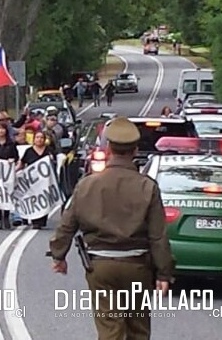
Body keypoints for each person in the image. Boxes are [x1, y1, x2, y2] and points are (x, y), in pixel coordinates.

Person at [49, 117, 174, 340]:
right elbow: (158, 236)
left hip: (100, 266)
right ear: (135, 150)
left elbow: (68, 223)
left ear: (108, 148)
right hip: (137, 266)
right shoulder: (147, 187)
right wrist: (164, 273)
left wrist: (59, 255)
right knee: (138, 328)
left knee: (109, 326)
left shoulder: (87, 184)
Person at [17, 131, 56, 229]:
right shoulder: (29, 151)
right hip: (32, 182)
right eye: (37, 137)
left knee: (44, 200)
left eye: (41, 137)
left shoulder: (49, 150)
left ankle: (42, 220)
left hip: (45, 182)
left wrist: (52, 159)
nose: (39, 139)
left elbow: (55, 164)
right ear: (34, 139)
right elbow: (22, 163)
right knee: (34, 200)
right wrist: (14, 171)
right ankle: (35, 220)